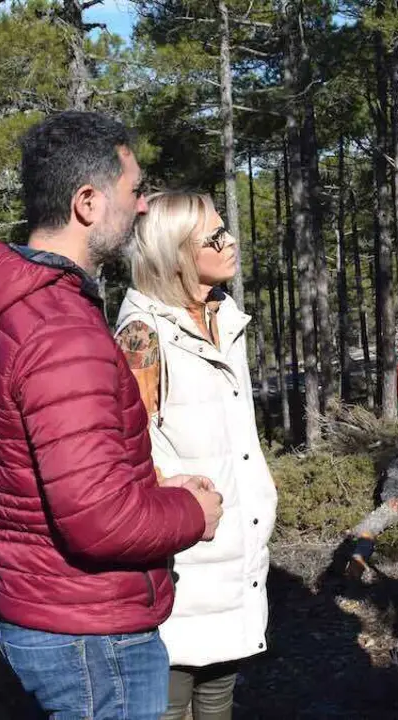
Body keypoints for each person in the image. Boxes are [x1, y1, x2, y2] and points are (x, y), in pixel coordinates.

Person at [0, 112, 224, 720]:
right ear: (87, 202)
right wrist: (194, 511)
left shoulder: (13, 308)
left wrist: (148, 484)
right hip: (90, 634)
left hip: (44, 610)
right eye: (134, 191)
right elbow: (98, 520)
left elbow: (41, 468)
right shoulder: (63, 331)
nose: (142, 207)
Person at [114, 191, 277, 720]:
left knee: (218, 695)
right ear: (177, 253)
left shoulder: (222, 318)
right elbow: (127, 454)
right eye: (214, 236)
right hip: (180, 558)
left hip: (231, 551)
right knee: (170, 701)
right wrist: (182, 508)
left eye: (226, 230)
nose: (231, 242)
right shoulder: (143, 334)